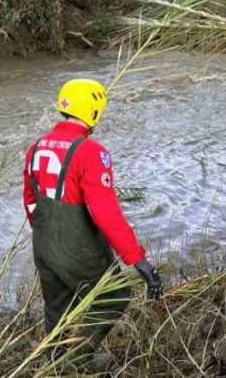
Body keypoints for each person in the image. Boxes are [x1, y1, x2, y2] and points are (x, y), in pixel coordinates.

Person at [22, 78, 163, 369]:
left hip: (43, 244)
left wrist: (47, 235)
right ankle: (79, 362)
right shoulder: (91, 152)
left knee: (57, 309)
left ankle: (54, 364)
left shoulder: (35, 148)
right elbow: (105, 214)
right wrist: (138, 259)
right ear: (93, 112)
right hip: (78, 248)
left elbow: (30, 201)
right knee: (113, 298)